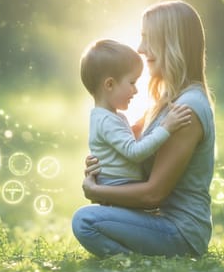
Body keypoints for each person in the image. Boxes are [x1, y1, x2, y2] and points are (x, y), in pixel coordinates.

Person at [72, 0, 216, 258]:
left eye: (148, 39)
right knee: (90, 218)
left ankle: (131, 263)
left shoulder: (186, 110)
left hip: (180, 232)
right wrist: (103, 165)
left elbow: (153, 195)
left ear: (171, 42)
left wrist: (96, 191)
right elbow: (129, 145)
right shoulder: (167, 103)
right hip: (159, 221)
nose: (140, 49)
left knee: (85, 221)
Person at [79, 38, 193, 187]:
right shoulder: (106, 121)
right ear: (109, 84)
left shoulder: (110, 117)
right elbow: (135, 152)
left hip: (122, 185)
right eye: (132, 83)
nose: (136, 90)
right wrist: (166, 127)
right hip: (118, 188)